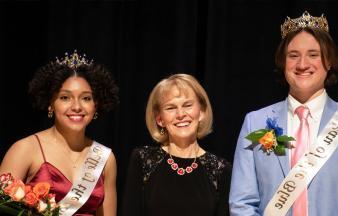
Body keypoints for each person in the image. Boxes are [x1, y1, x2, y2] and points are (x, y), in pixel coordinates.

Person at [229, 11, 338, 216]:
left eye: (313, 54)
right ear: (283, 63)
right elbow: (242, 203)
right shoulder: (255, 122)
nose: (302, 64)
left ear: (329, 62)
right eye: (293, 56)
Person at [0, 51, 119, 215]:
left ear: (96, 105)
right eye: (65, 98)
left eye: (86, 98)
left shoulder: (105, 158)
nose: (77, 106)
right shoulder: (24, 149)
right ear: (51, 104)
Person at [126, 73, 231, 216]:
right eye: (170, 108)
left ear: (201, 112)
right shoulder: (142, 159)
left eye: (187, 105)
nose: (180, 114)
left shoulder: (221, 169)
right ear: (159, 119)